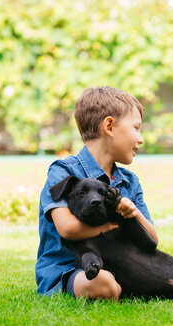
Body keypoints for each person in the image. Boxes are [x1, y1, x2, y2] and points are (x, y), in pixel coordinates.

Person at [36, 86, 158, 300]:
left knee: (119, 280)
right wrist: (113, 224)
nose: (141, 139)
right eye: (136, 128)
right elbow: (68, 229)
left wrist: (133, 212)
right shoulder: (63, 172)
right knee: (103, 284)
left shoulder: (128, 181)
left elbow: (152, 239)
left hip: (119, 265)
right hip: (68, 271)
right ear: (109, 126)